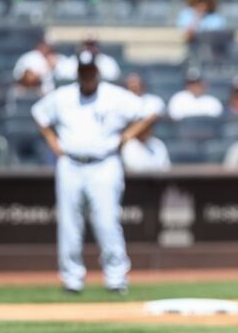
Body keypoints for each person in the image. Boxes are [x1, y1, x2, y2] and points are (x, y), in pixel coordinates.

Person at [32, 51, 158, 294]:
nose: (87, 76)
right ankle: (72, 279)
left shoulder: (114, 95)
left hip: (104, 163)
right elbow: (39, 114)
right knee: (69, 223)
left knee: (107, 221)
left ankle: (116, 278)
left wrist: (127, 136)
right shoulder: (64, 96)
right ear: (78, 73)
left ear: (97, 72)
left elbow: (150, 111)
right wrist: (52, 142)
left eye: (90, 72)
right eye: (83, 72)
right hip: (70, 163)